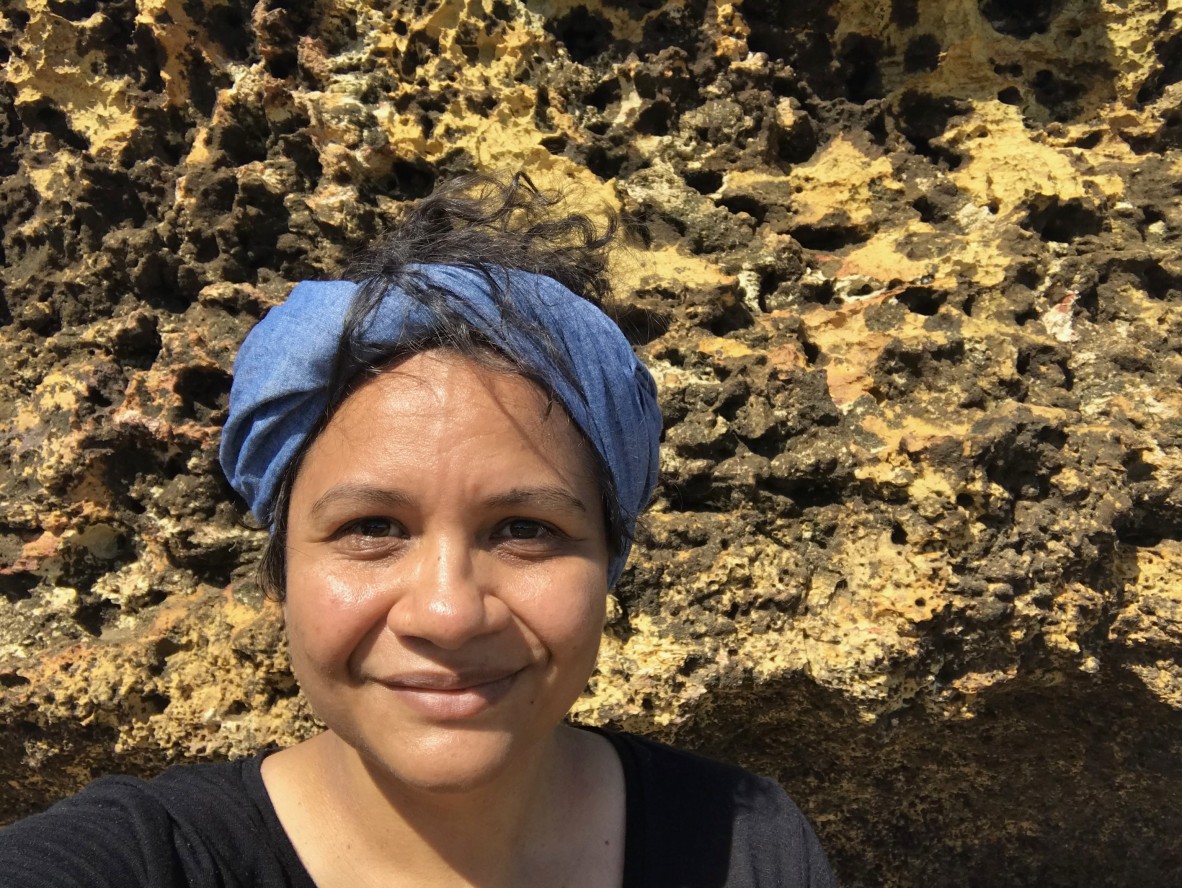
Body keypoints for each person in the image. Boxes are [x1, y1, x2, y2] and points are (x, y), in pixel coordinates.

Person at [0, 174, 835, 887]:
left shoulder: (748, 850)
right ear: (278, 573)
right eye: (372, 527)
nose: (447, 613)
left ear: (609, 564)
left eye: (524, 528)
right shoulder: (141, 861)